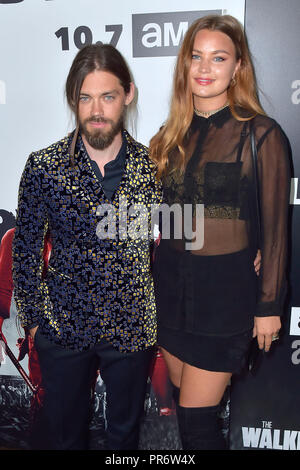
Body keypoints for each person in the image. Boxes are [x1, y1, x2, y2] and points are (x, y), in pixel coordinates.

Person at [149, 15, 290, 450]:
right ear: (184, 65)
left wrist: (268, 305)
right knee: (182, 396)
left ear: (237, 67)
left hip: (225, 296)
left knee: (196, 420)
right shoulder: (168, 138)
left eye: (218, 57)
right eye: (196, 56)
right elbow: (162, 218)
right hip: (170, 290)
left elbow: (277, 232)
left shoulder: (260, 134)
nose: (205, 67)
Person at [12, 43, 162, 450]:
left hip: (131, 328)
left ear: (127, 95)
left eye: (107, 96)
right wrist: (35, 323)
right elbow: (25, 251)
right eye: (85, 97)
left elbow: (176, 242)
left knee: (123, 439)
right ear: (73, 100)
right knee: (64, 439)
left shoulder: (154, 167)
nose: (96, 109)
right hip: (62, 329)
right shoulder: (44, 167)